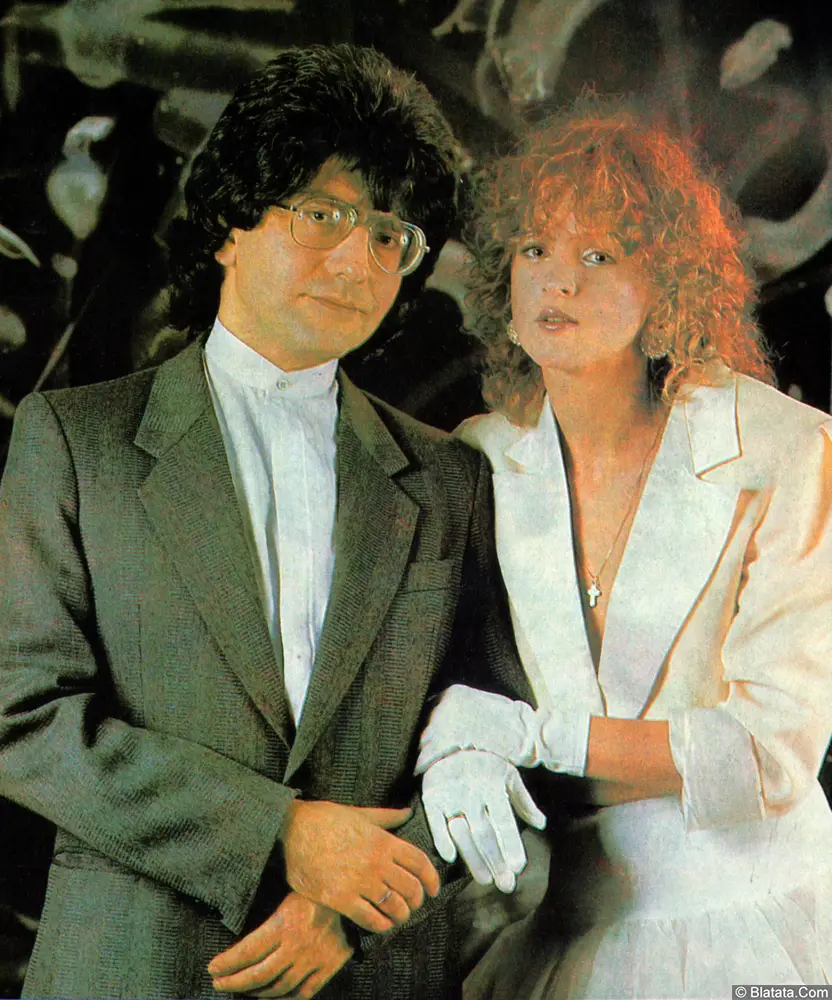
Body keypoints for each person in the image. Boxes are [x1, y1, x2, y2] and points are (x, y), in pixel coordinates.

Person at [0, 44, 533, 1000]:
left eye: (390, 234)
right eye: (323, 214)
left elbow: (493, 726)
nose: (357, 260)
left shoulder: (451, 477)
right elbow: (19, 715)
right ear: (228, 227)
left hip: (371, 976)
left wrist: (358, 908)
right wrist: (280, 834)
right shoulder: (75, 442)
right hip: (132, 971)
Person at [415, 100, 832, 998]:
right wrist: (457, 748)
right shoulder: (479, 458)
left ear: (669, 285)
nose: (557, 282)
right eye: (535, 249)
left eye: (599, 254)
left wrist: (531, 736)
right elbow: (446, 684)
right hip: (568, 924)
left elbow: (768, 755)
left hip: (758, 916)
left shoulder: (783, 447)